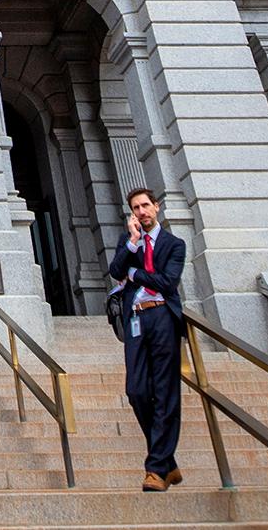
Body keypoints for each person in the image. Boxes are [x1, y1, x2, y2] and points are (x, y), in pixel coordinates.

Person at [108, 185, 185, 492]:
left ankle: (155, 468)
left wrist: (136, 276)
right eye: (135, 208)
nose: (141, 212)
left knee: (165, 392)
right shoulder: (129, 243)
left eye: (145, 206)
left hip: (163, 316)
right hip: (137, 318)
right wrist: (132, 242)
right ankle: (167, 462)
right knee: (137, 390)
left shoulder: (173, 244)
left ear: (157, 207)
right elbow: (116, 271)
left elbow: (167, 282)